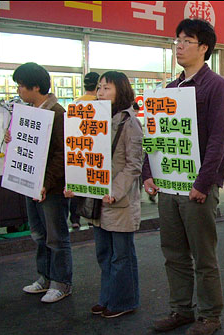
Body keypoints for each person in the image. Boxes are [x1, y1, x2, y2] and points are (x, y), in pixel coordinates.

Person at [142, 18, 224, 335]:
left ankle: (210, 315)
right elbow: (155, 135)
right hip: (168, 187)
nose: (179, 46)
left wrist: (203, 184)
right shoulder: (169, 89)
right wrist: (149, 173)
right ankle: (181, 309)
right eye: (177, 40)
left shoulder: (216, 86)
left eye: (186, 41)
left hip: (197, 188)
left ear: (204, 48)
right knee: (173, 253)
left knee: (203, 256)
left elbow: (219, 140)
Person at [66, 71, 143, 318]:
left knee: (121, 255)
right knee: (104, 254)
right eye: (99, 88)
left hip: (118, 201)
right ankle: (108, 298)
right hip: (98, 199)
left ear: (121, 91)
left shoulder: (129, 122)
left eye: (107, 88)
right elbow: (84, 157)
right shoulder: (94, 120)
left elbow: (134, 164)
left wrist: (115, 191)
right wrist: (76, 185)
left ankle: (123, 301)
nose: (100, 93)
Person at [6, 63, 72, 303]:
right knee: (38, 233)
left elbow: (61, 154)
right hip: (30, 183)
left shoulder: (57, 113)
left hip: (50, 188)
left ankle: (61, 282)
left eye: (21, 85)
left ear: (35, 87)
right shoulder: (27, 112)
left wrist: (47, 182)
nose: (19, 90)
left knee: (56, 235)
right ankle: (45, 277)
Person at [68, 71, 101, 229]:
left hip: (80, 148)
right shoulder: (100, 103)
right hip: (95, 148)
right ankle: (91, 216)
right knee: (93, 185)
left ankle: (74, 219)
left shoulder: (75, 103)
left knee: (78, 186)